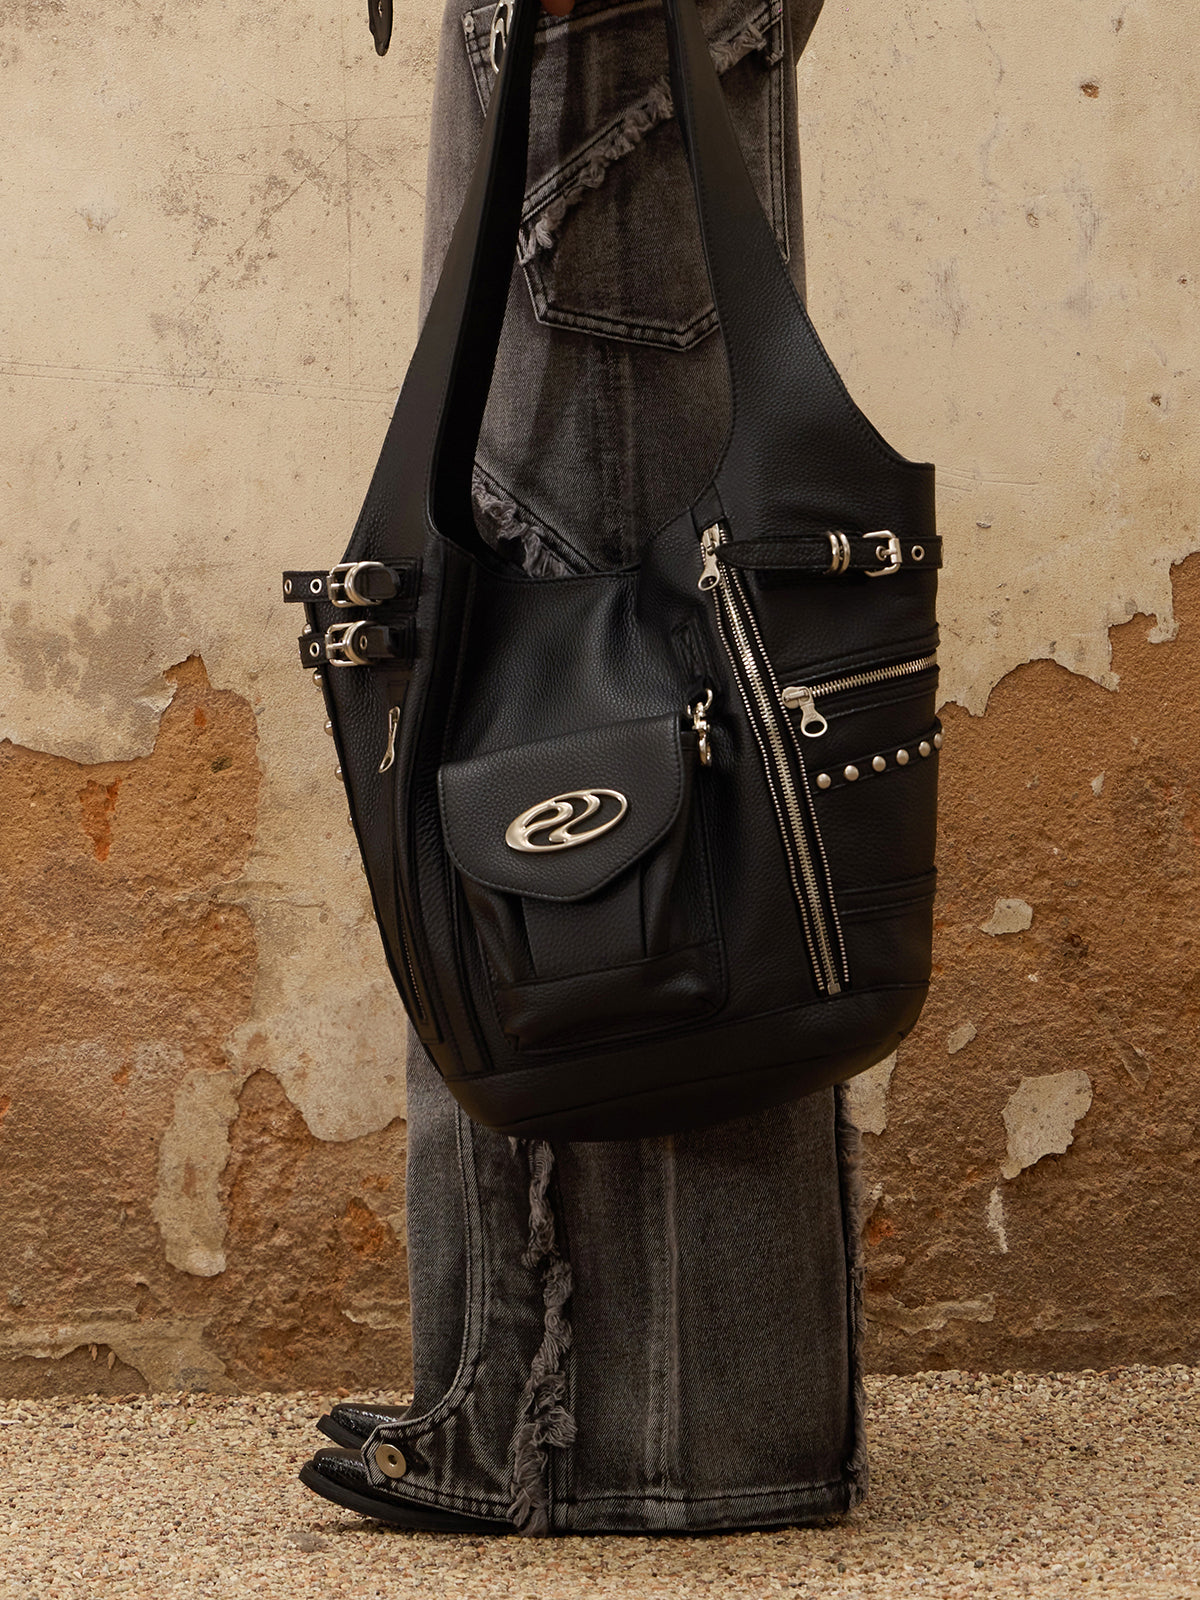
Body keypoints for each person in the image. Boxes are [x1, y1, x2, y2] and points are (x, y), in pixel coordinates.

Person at [299, 0, 866, 1536]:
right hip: (605, 46)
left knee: (559, 717)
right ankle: (706, 1417)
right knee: (663, 705)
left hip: (595, 43)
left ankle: (572, 1431)